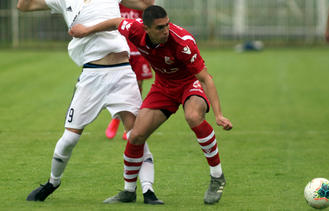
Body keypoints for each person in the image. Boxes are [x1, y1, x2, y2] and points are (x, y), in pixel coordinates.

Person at [70, 5, 233, 204]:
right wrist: (86, 30)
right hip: (163, 86)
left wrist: (218, 115)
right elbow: (115, 22)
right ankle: (129, 191)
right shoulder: (135, 29)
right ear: (146, 28)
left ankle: (217, 177)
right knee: (136, 135)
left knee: (193, 116)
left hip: (188, 84)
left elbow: (206, 79)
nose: (166, 30)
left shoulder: (183, 43)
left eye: (167, 25)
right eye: (159, 28)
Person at [17, 0, 163, 204]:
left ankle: (148, 191)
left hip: (122, 74)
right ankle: (52, 182)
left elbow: (147, 3)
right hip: (91, 77)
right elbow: (23, 6)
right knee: (69, 139)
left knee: (136, 135)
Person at [106, 3, 154, 140]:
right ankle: (117, 119)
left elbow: (150, 5)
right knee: (117, 84)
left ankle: (132, 123)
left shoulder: (139, 3)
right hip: (120, 48)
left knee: (137, 85)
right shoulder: (116, 3)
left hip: (138, 48)